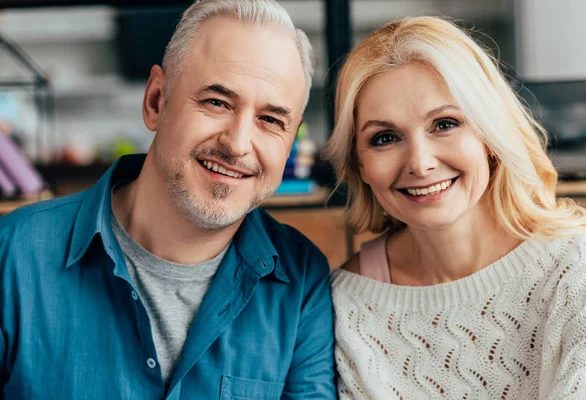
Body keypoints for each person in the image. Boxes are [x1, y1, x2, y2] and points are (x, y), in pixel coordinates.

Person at [0, 1, 336, 398]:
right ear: (156, 101)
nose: (238, 144)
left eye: (271, 120)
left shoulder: (300, 281)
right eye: (217, 102)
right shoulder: (12, 255)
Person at [324, 16, 586, 399]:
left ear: (489, 134)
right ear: (359, 163)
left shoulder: (584, 271)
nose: (419, 163)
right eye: (385, 137)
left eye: (445, 124)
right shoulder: (344, 305)